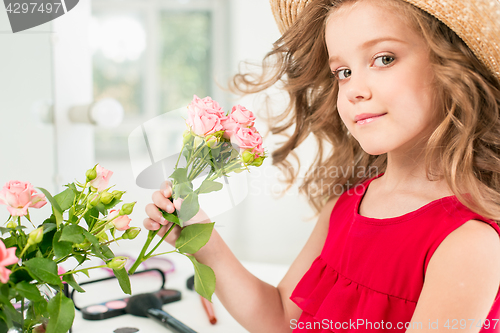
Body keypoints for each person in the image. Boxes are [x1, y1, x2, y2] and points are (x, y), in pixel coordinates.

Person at [144, 0, 500, 331]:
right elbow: (281, 318)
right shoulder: (345, 208)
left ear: (452, 65)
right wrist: (203, 241)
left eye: (384, 58)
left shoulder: (469, 243)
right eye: (343, 71)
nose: (353, 89)